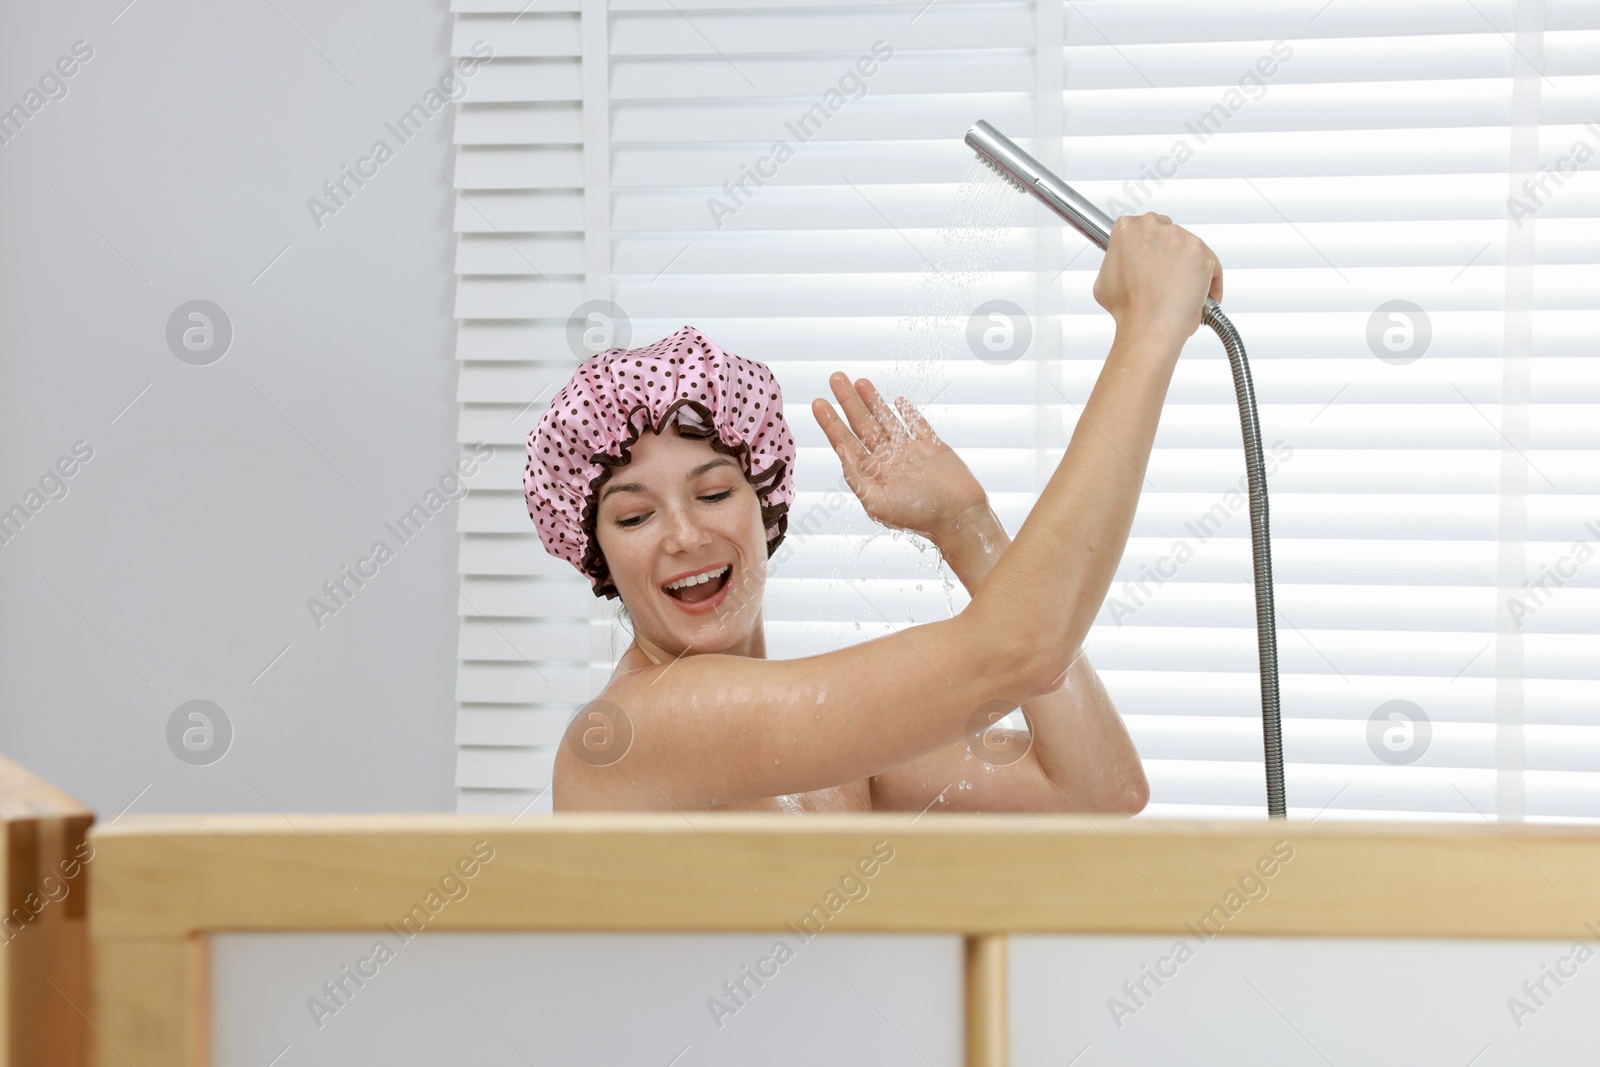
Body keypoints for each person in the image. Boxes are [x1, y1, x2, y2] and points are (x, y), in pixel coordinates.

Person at [525, 213, 1222, 813]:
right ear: (598, 556)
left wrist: (966, 525)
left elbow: (1095, 789)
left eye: (712, 494)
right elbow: (1015, 650)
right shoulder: (637, 728)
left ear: (765, 505)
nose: (684, 535)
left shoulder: (823, 754)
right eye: (634, 517)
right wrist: (1149, 328)